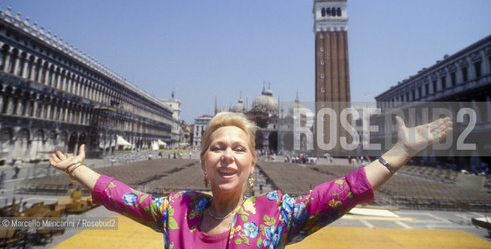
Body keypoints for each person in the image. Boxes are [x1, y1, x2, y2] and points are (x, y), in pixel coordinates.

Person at [49, 112, 452, 249]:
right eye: (217, 147)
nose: (228, 156)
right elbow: (123, 197)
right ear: (203, 162)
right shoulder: (176, 209)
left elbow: (339, 193)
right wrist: (74, 169)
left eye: (239, 149)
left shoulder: (275, 215)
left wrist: (401, 152)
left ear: (252, 164)